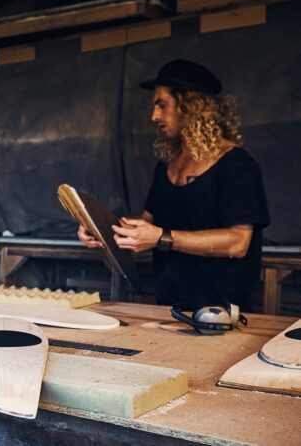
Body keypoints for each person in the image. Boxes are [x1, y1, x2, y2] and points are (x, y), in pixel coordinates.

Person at [78, 59, 269, 310]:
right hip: (170, 310)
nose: (154, 115)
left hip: (222, 316)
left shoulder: (237, 164)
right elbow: (147, 229)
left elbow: (238, 243)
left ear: (191, 107)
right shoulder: (166, 166)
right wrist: (101, 230)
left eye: (162, 105)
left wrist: (161, 237)